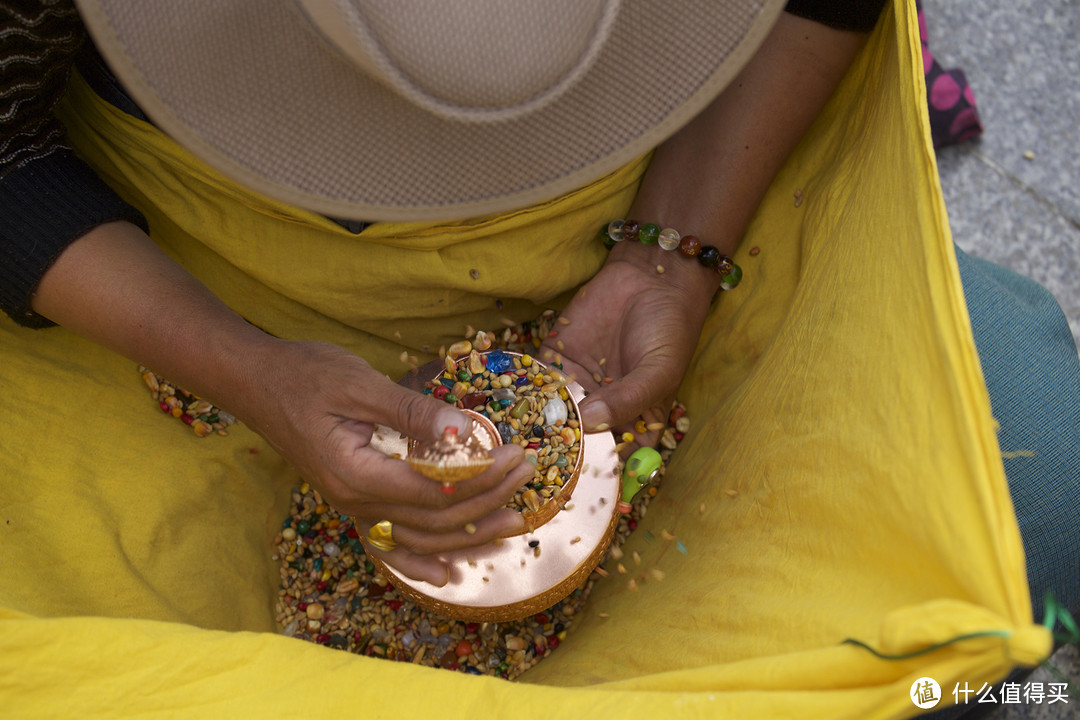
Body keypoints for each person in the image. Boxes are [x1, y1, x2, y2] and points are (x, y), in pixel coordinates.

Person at [1, 0, 1077, 715]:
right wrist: (247, 369)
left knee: (1036, 472)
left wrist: (671, 256)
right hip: (178, 273)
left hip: (656, 191)